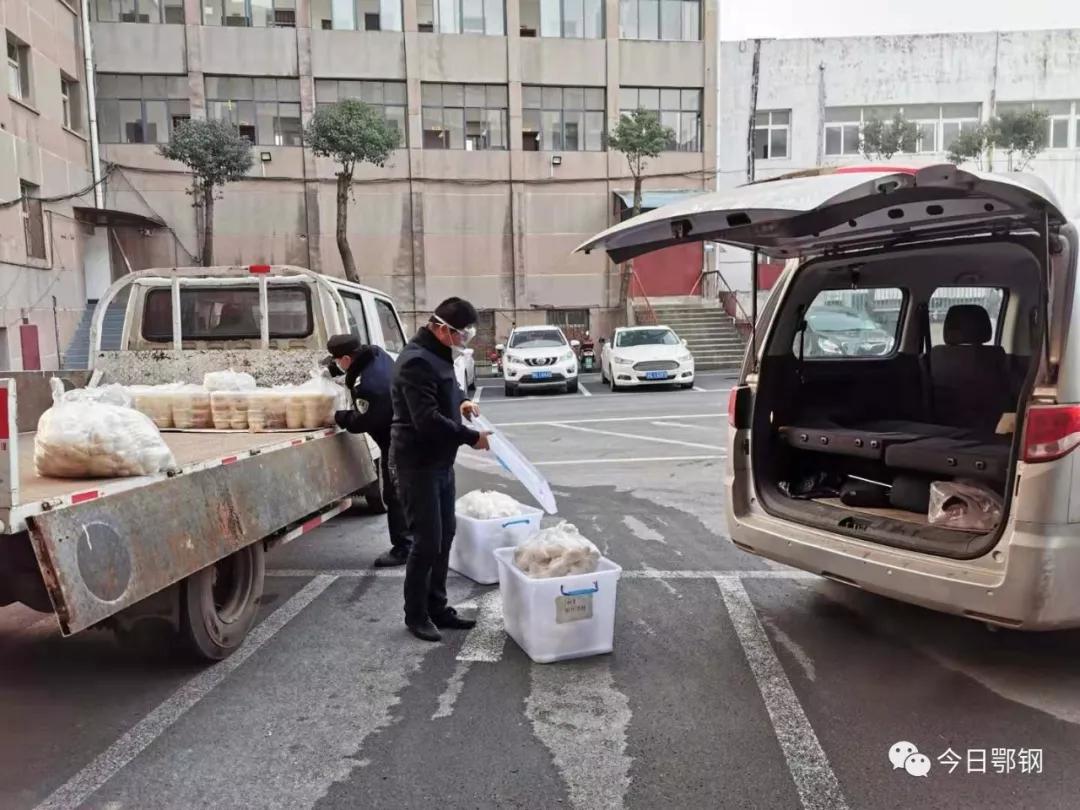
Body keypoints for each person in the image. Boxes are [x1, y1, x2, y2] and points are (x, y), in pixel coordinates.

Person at [391, 297, 490, 642]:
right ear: (441, 327)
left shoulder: (438, 352)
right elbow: (426, 420)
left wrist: (461, 401)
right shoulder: (415, 361)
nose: (464, 340)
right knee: (427, 542)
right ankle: (415, 614)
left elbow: (449, 389)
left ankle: (437, 606)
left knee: (445, 535)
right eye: (461, 333)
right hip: (417, 464)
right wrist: (470, 436)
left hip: (440, 462)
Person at [325, 334, 411, 568]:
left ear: (346, 358)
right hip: (407, 430)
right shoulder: (376, 354)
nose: (336, 365)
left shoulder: (370, 386)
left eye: (337, 361)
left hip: (398, 440)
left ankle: (404, 548)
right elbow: (353, 374)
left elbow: (362, 421)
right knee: (408, 492)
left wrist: (338, 416)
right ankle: (418, 541)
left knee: (395, 494)